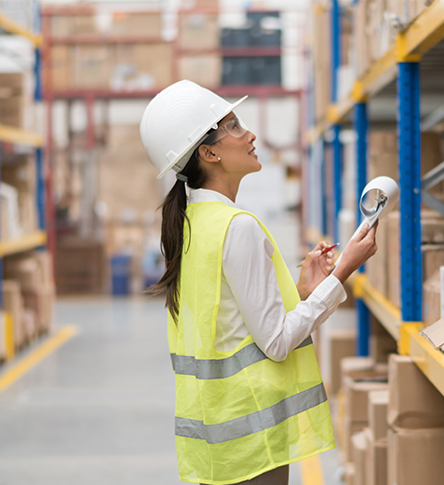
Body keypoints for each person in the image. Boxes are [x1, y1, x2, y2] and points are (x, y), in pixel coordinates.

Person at [139, 80, 378, 485]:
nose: (249, 134)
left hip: (220, 432)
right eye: (232, 126)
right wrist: (343, 272)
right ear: (208, 152)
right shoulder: (238, 227)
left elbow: (235, 324)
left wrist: (303, 292)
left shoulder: (195, 223)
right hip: (253, 438)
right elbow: (277, 342)